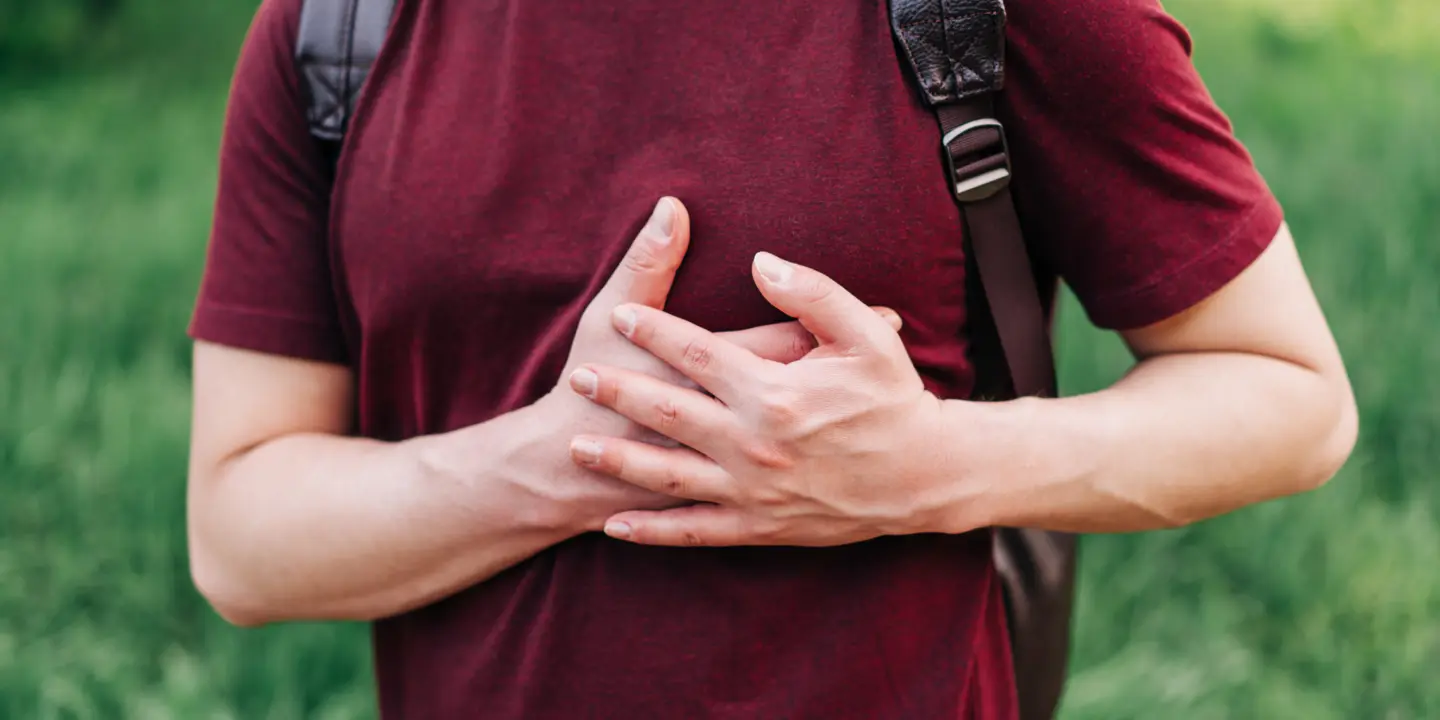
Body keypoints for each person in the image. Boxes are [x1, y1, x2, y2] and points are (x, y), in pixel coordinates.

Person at [185, 0, 1358, 717]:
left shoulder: (983, 8)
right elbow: (241, 536)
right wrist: (560, 461)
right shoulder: (335, 29)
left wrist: (926, 465)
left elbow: (1293, 398)